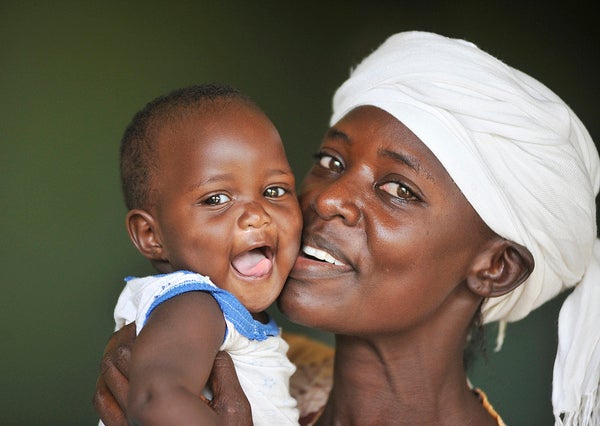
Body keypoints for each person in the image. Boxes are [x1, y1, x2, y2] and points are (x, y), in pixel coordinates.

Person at [94, 32, 600, 425]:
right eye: (331, 161)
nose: (328, 198)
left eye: (399, 190)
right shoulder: (251, 367)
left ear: (495, 267)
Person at [101, 83, 303, 425]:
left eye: (274, 190)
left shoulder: (221, 315)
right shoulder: (194, 304)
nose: (257, 214)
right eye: (216, 199)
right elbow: (157, 397)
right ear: (151, 235)